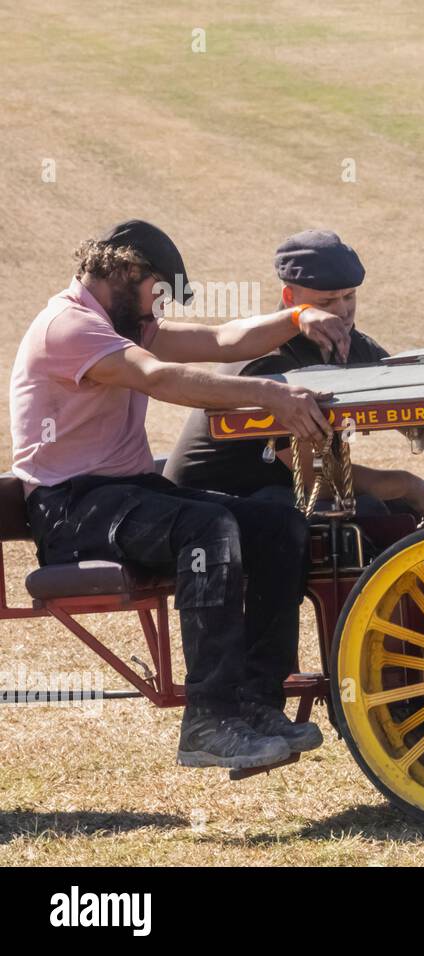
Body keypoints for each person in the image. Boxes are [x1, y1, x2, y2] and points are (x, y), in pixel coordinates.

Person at [9, 219, 350, 770]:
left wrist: (297, 317)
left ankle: (258, 703)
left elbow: (222, 341)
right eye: (155, 297)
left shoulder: (124, 323)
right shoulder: (70, 328)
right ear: (124, 273)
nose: (157, 313)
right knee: (208, 529)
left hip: (125, 494)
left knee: (276, 523)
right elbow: (161, 378)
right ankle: (208, 721)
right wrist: (271, 393)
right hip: (71, 509)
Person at [164, 229, 424, 519]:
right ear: (289, 296)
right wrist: (404, 483)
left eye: (350, 297)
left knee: (398, 510)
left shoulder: (356, 347)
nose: (343, 310)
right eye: (327, 301)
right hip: (215, 502)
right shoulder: (269, 362)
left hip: (277, 492)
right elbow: (314, 478)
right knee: (372, 511)